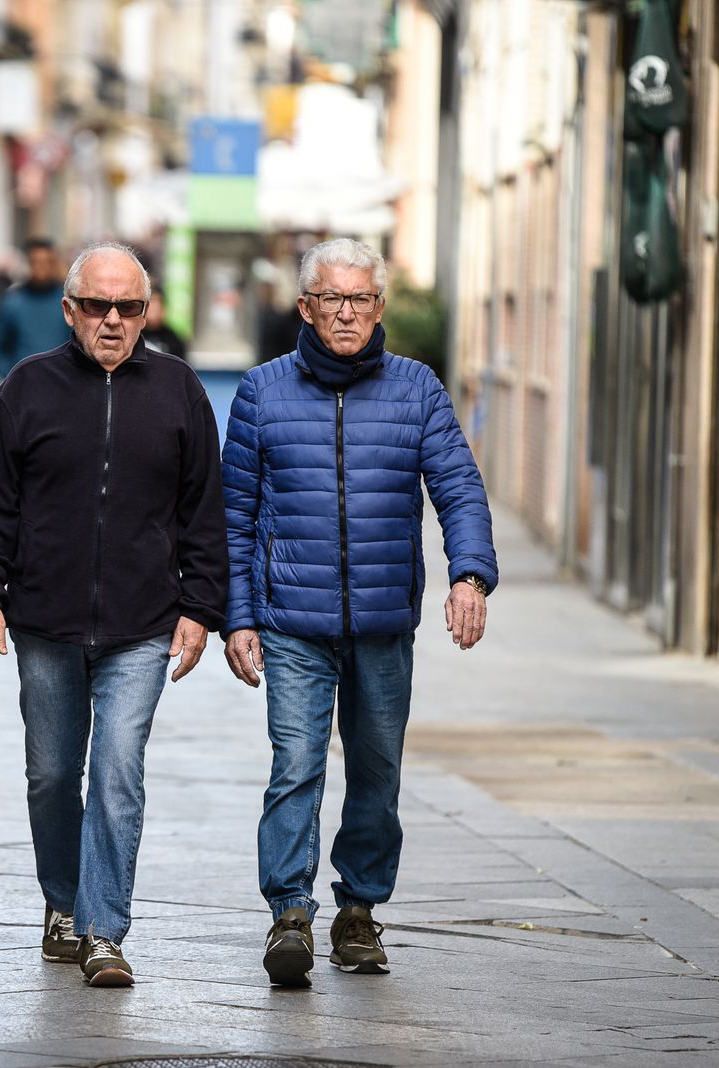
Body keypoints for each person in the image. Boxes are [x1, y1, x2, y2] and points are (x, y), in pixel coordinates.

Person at [220, 238, 497, 986]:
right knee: (296, 768)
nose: (348, 313)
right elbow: (234, 516)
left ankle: (358, 913)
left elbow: (460, 489)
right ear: (306, 307)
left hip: (382, 625)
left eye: (362, 300)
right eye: (333, 300)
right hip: (291, 622)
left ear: (380, 306)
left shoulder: (416, 390)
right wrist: (237, 618)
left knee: (377, 773)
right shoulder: (261, 392)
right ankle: (289, 915)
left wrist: (469, 574)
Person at [0, 242, 228, 988]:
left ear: (148, 313)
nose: (113, 320)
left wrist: (201, 607)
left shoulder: (178, 391)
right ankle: (62, 903)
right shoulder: (27, 389)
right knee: (50, 775)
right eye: (99, 306)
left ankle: (104, 930)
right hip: (43, 620)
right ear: (69, 310)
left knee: (116, 771)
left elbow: (205, 511)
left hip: (143, 625)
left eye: (129, 307)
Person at [0, 237, 72, 383]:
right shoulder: (12, 302)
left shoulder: (67, 301)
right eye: (36, 262)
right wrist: (8, 375)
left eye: (47, 262)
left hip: (62, 382)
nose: (41, 267)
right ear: (28, 264)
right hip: (20, 385)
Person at [139, 284, 188, 361]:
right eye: (150, 303)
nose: (153, 308)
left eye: (156, 302)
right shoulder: (135, 334)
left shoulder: (173, 339)